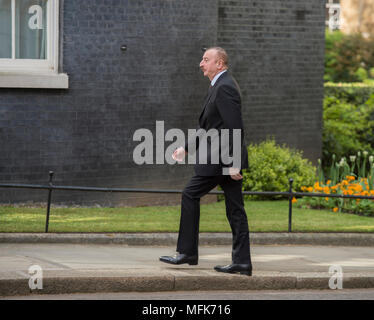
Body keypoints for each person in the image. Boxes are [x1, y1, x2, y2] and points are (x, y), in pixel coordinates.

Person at [159, 47, 252, 276]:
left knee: (190, 194)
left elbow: (235, 128)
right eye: (202, 59)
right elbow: (208, 126)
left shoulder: (225, 87)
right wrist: (186, 148)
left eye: (206, 60)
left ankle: (187, 252)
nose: (201, 63)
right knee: (235, 210)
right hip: (223, 160)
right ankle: (242, 263)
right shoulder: (217, 86)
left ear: (219, 63)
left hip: (221, 160)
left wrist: (234, 163)